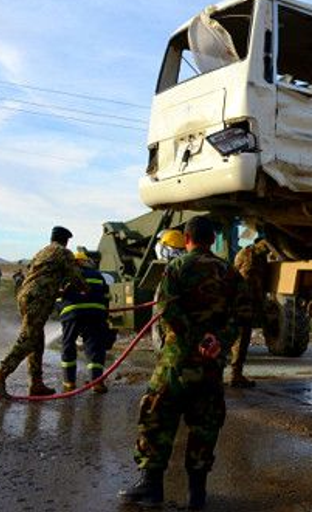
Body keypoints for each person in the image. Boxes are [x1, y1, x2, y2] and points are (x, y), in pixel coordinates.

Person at [119, 216, 250, 510]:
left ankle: (151, 488)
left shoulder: (177, 267)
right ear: (210, 240)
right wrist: (217, 341)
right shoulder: (230, 272)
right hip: (211, 365)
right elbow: (242, 315)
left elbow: (166, 309)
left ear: (188, 239)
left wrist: (193, 340)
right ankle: (197, 495)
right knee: (204, 425)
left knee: (156, 416)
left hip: (176, 362)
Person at [0, 226, 87, 398]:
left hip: (25, 295)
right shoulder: (63, 252)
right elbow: (76, 277)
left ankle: (36, 383)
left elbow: (43, 277)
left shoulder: (42, 252)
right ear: (65, 240)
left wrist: (58, 291)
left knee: (37, 340)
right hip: (38, 298)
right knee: (29, 339)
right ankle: (0, 375)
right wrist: (86, 289)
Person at [58, 251, 111, 394]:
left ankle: (69, 382)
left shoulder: (65, 276)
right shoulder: (97, 275)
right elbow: (106, 296)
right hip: (95, 314)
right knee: (95, 347)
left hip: (72, 314)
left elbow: (58, 299)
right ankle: (97, 382)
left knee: (68, 344)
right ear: (85, 261)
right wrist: (103, 313)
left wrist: (63, 313)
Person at [229, 238, 273, 388]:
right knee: (241, 339)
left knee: (232, 338)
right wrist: (261, 306)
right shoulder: (255, 257)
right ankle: (235, 375)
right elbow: (253, 283)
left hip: (236, 301)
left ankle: (230, 375)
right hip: (244, 303)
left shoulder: (245, 252)